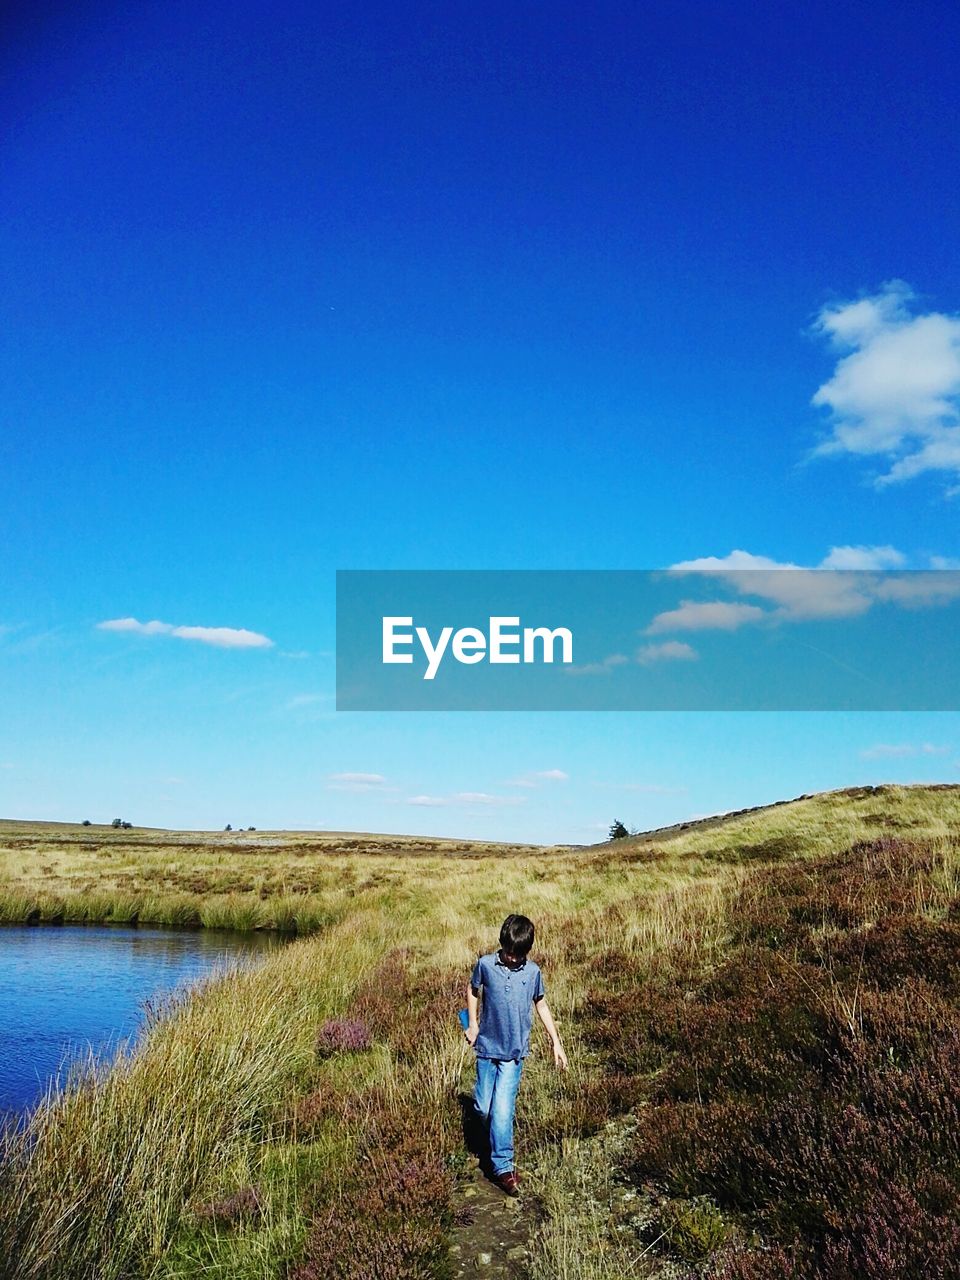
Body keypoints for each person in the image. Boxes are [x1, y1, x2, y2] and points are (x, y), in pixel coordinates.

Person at [464, 913, 568, 1195]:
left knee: (502, 1111)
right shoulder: (486, 964)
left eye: (517, 955)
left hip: (513, 1054)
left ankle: (503, 1167)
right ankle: (487, 1139)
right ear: (502, 945)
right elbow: (473, 991)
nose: (511, 959)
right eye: (508, 953)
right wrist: (472, 1024)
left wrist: (555, 1043)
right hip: (486, 1050)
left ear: (527, 951)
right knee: (483, 1108)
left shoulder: (532, 973)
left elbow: (542, 1006)